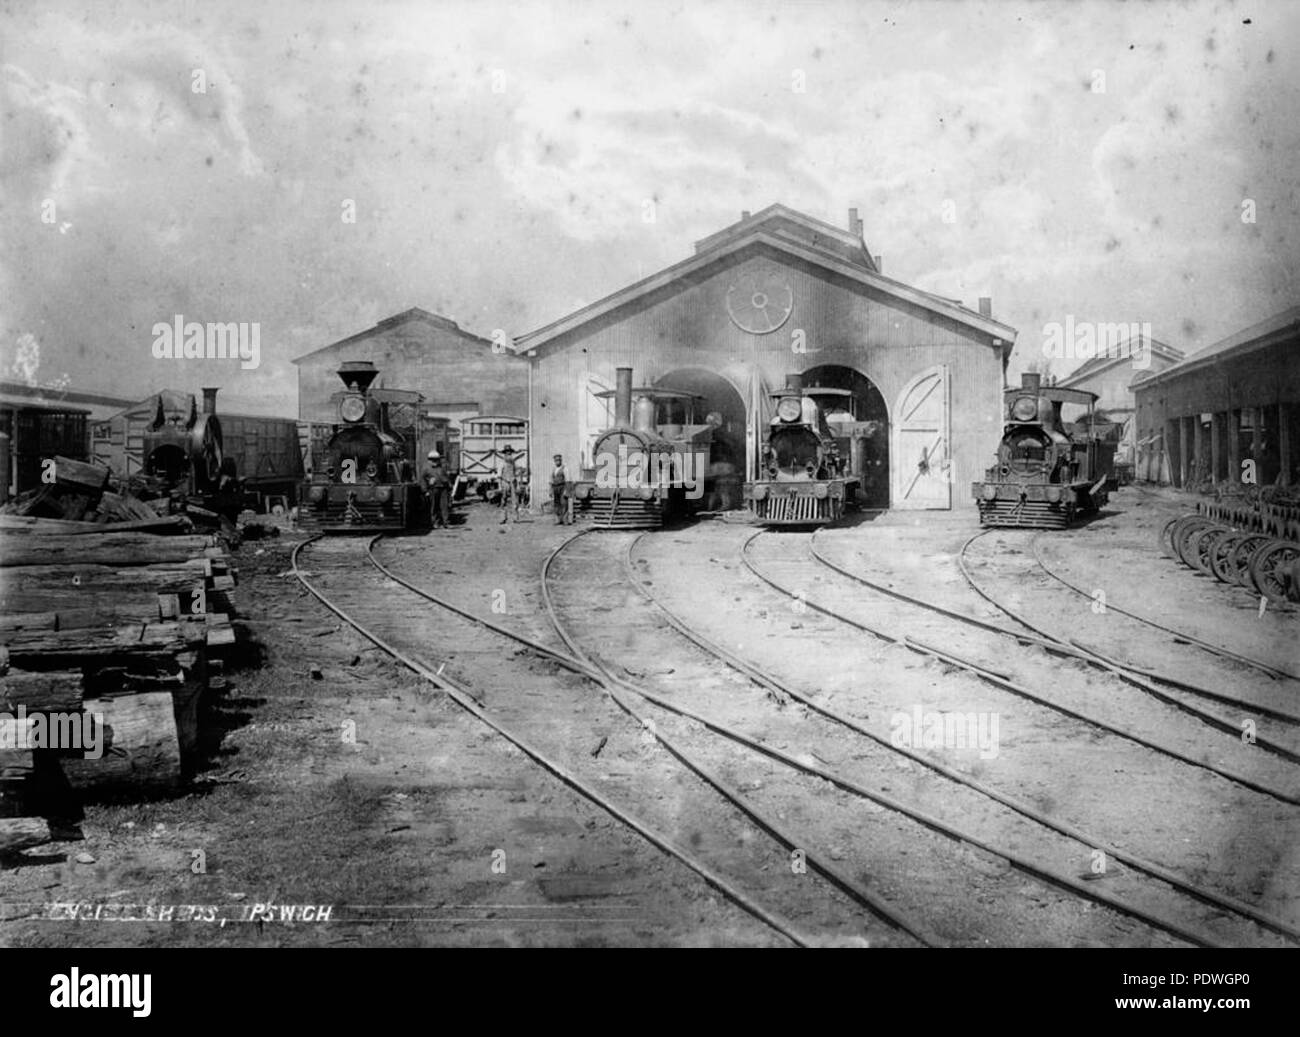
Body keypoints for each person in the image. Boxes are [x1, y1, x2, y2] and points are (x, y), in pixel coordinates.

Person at [423, 450, 451, 529]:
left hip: (443, 489)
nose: (435, 461)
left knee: (444, 506)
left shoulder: (442, 468)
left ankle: (446, 522)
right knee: (434, 506)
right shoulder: (426, 469)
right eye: (433, 459)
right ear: (429, 460)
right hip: (433, 489)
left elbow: (447, 478)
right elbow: (422, 480)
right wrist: (425, 490)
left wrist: (449, 486)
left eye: (436, 459)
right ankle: (435, 522)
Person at [498, 445, 521, 524]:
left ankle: (515, 518)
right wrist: (499, 486)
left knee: (515, 501)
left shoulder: (514, 463)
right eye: (507, 452)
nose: (508, 453)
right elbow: (499, 475)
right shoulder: (501, 463)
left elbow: (517, 473)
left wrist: (517, 483)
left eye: (510, 452)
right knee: (503, 500)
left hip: (512, 482)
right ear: (504, 454)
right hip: (505, 482)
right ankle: (503, 518)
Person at [550, 453, 573, 525]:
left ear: (561, 460)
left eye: (559, 460)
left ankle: (565, 520)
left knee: (564, 503)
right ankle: (558, 520)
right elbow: (551, 480)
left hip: (562, 487)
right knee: (556, 504)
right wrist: (550, 490)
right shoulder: (554, 469)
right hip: (555, 488)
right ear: (554, 461)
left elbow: (568, 480)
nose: (557, 461)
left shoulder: (565, 468)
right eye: (556, 460)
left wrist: (567, 490)